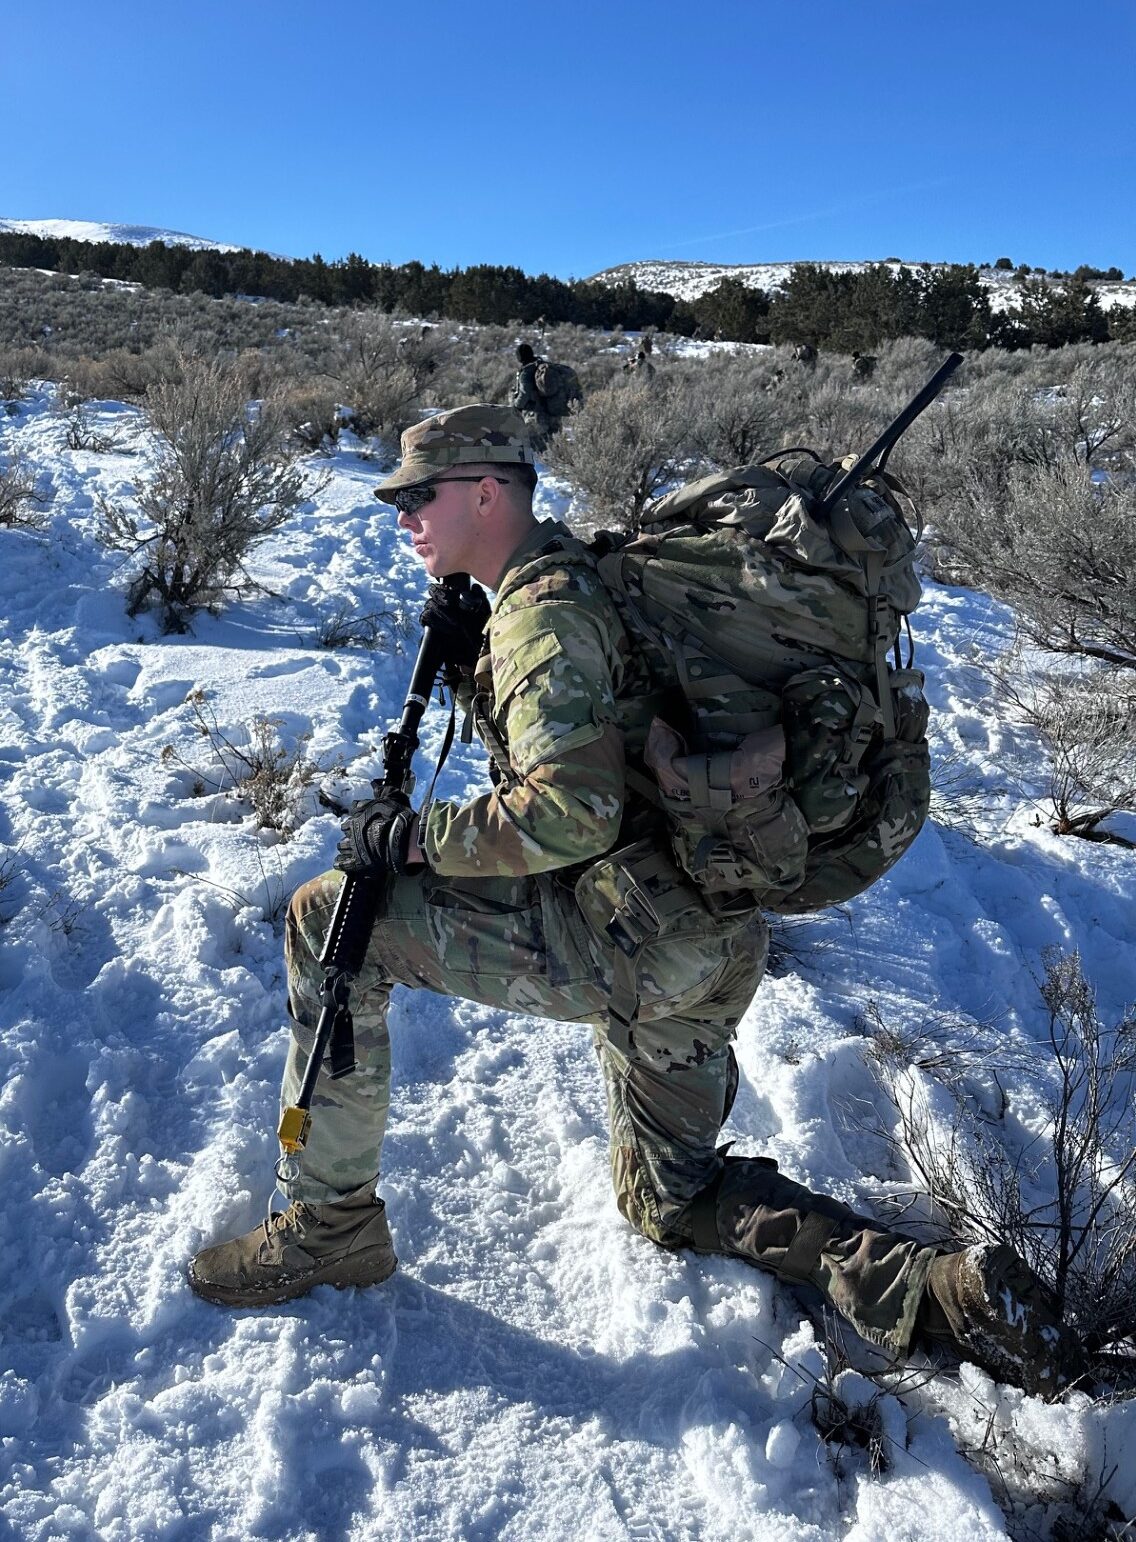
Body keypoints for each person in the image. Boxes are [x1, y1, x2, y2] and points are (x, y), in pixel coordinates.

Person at [188, 406, 1079, 1399]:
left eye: (418, 496)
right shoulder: (584, 572)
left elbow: (565, 813)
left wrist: (407, 838)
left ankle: (326, 1231)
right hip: (706, 938)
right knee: (671, 1197)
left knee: (329, 918)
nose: (401, 517)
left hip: (626, 945)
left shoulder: (543, 610)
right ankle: (929, 1290)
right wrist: (478, 649)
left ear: (488, 491)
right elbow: (609, 731)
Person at [510, 342, 581, 446]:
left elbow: (524, 394)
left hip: (536, 416)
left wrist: (515, 407)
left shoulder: (526, 372)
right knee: (552, 445)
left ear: (520, 357)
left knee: (535, 447)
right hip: (553, 411)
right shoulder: (542, 367)